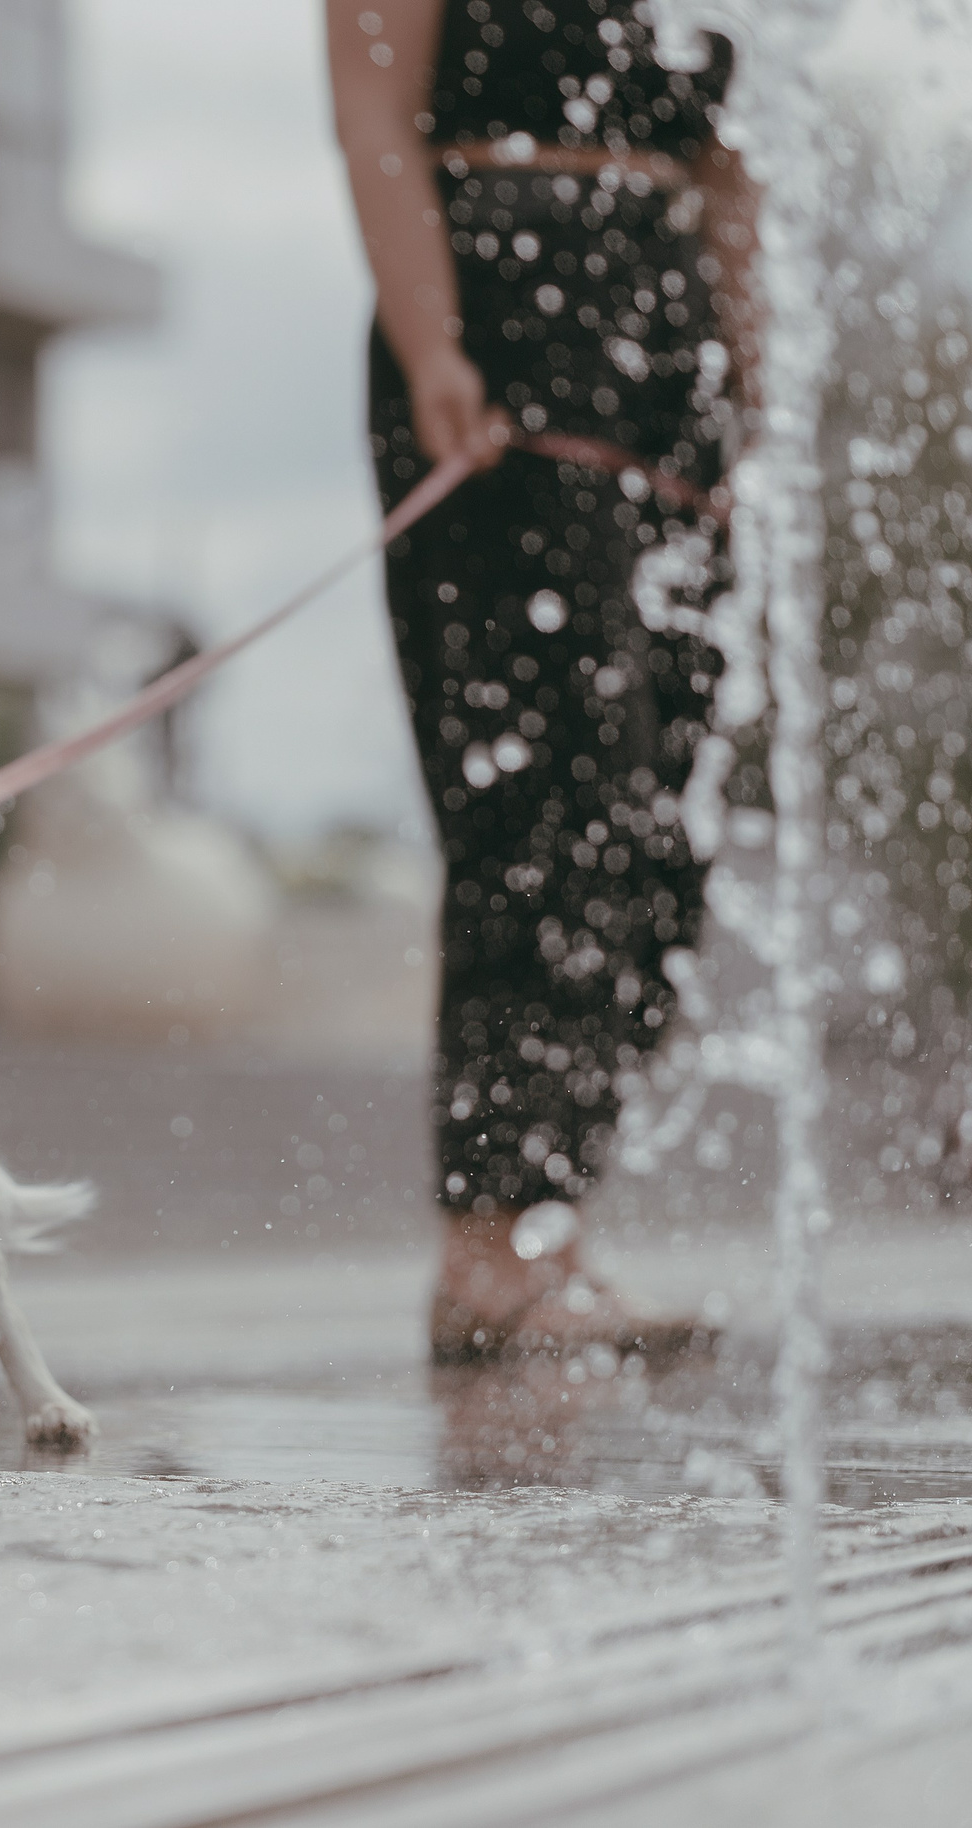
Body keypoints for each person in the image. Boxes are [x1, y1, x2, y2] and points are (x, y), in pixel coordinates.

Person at [328, 0, 757, 1359]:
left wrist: (754, 380)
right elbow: (372, 102)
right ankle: (485, 1248)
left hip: (667, 347)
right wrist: (432, 336)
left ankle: (551, 1227)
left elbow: (735, 162)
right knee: (533, 783)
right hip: (494, 320)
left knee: (654, 812)